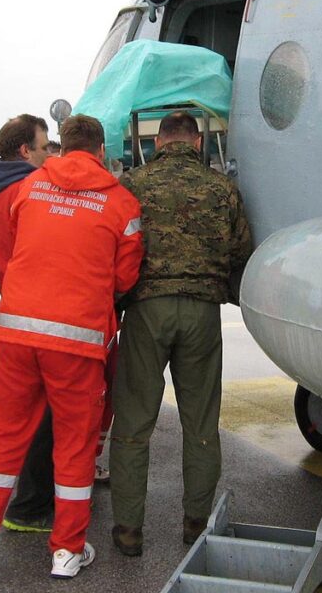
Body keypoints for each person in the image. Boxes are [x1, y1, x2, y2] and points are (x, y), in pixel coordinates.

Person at [0, 115, 143, 580]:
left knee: (2, 437)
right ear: (101, 150)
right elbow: (125, 277)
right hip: (76, 340)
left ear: (61, 147)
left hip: (16, 333)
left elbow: (18, 247)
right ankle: (67, 550)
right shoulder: (121, 202)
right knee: (75, 444)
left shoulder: (30, 187)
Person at [109, 111, 252, 556]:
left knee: (134, 421)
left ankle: (129, 529)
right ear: (196, 142)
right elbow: (241, 250)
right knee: (201, 422)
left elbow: (114, 245)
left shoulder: (133, 185)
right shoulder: (222, 189)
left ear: (158, 142)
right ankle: (195, 523)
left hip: (146, 310)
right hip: (202, 312)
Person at [0, 113, 56, 533]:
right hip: (37, 309)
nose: (48, 155)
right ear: (26, 150)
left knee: (18, 414)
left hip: (10, 304)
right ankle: (31, 505)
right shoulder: (28, 188)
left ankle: (19, 503)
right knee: (44, 414)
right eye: (44, 148)